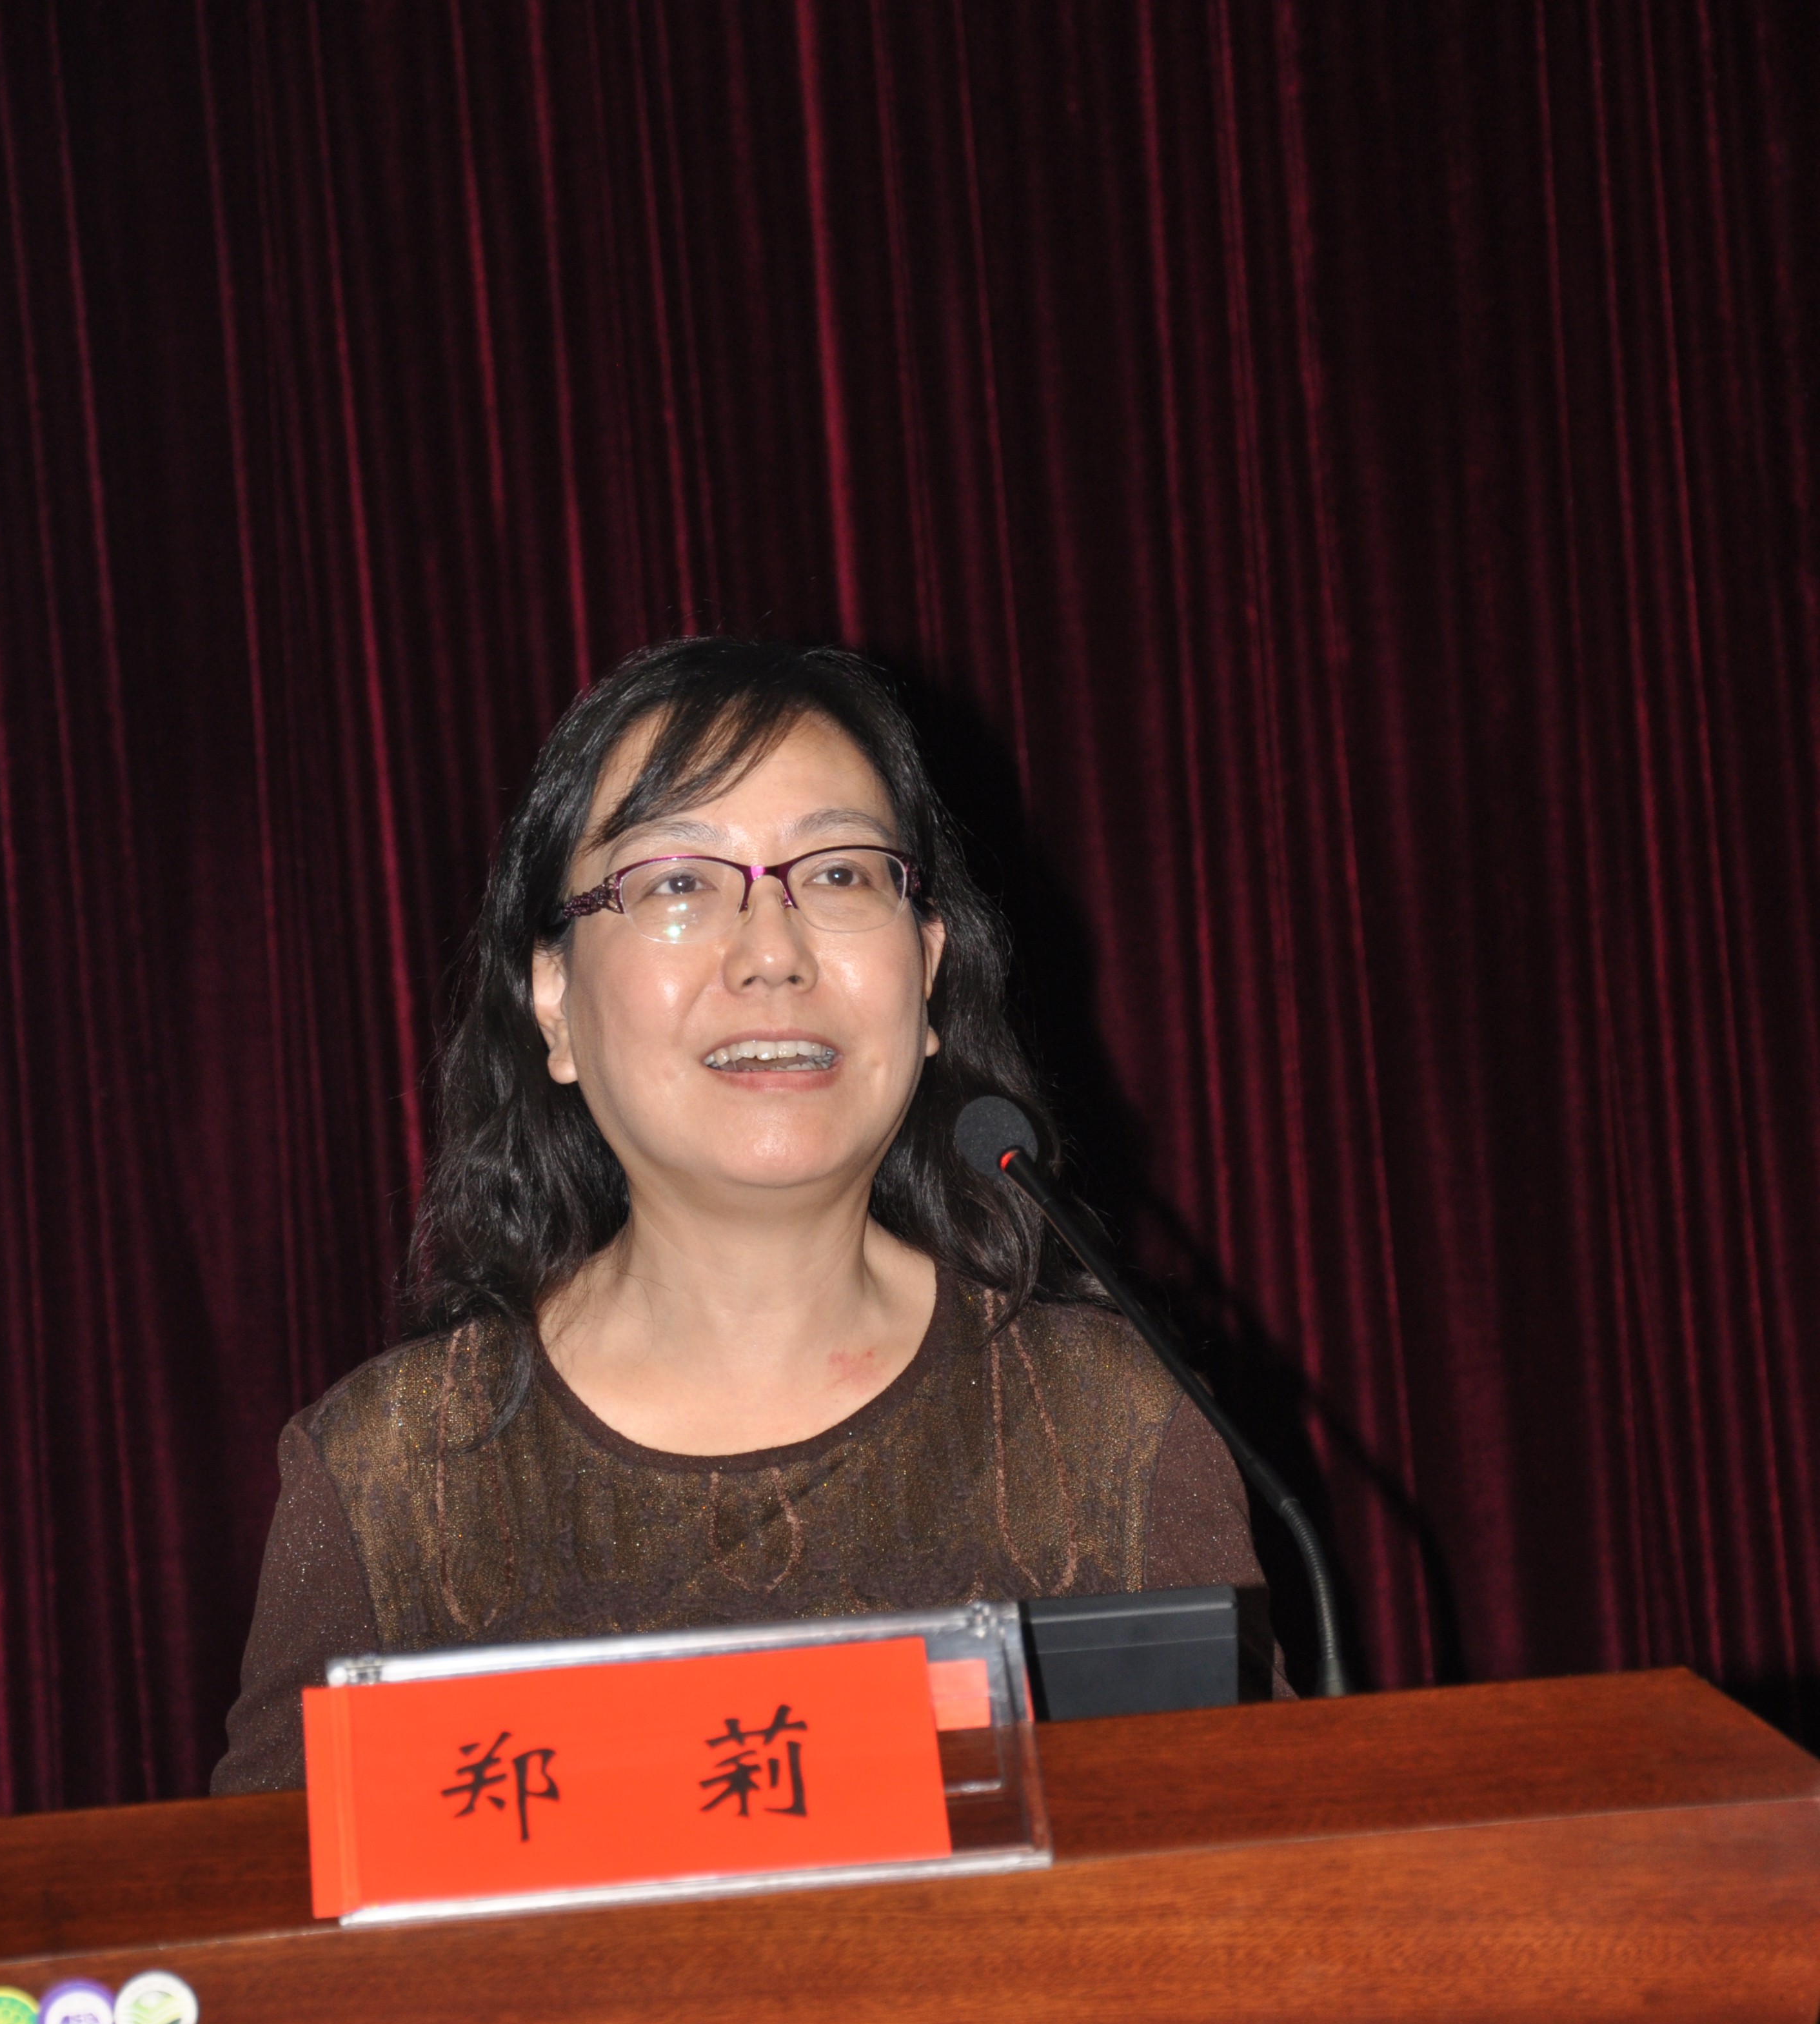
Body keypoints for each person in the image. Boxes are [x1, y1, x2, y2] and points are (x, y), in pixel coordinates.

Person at [213, 637, 1285, 1792]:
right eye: (678, 882)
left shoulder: (1111, 1423)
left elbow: (1271, 1857)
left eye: (839, 876)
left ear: (929, 976)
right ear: (554, 1001)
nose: (772, 953)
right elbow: (265, 1898)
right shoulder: (389, 1477)